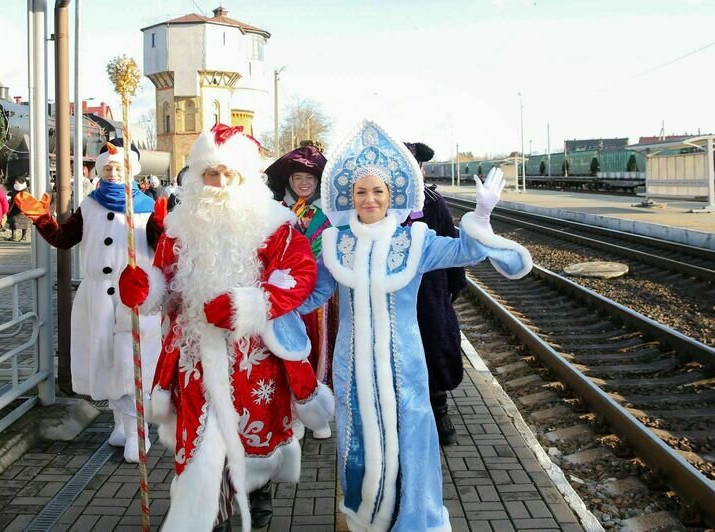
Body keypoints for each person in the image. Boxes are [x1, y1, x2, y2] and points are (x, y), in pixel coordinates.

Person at [298, 120, 531, 531]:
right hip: (352, 369)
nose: (369, 199)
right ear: (350, 197)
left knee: (412, 441)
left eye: (378, 191)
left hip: (405, 366)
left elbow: (464, 251)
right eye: (361, 192)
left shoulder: (415, 243)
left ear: (392, 196)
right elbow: (312, 295)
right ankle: (363, 517)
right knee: (358, 442)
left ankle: (414, 519)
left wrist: (481, 214)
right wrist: (269, 294)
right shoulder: (338, 244)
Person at [118, 124, 334, 531]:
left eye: (228, 174)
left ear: (245, 178)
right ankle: (209, 520)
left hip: (255, 362)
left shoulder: (276, 224)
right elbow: (165, 281)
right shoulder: (181, 226)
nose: (218, 183)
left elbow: (298, 275)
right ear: (197, 178)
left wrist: (246, 306)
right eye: (210, 174)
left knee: (253, 457)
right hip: (194, 359)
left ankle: (258, 516)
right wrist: (146, 288)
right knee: (200, 453)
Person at [14, 140, 159, 463]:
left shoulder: (145, 205)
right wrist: (42, 219)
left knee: (129, 364)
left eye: (119, 168)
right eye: (108, 168)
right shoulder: (90, 205)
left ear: (130, 171)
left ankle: (140, 433)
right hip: (96, 296)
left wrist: (162, 225)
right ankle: (121, 424)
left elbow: (160, 246)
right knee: (104, 363)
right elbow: (64, 239)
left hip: (131, 296)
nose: (113, 173)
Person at [404, 141, 467, 447]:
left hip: (430, 290)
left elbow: (451, 241)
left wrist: (455, 284)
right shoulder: (383, 199)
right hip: (396, 294)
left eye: (417, 165)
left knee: (434, 346)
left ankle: (440, 410)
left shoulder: (432, 203)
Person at [264, 144, 337, 408]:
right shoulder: (276, 212)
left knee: (320, 343)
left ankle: (319, 402)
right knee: (285, 345)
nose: (303, 183)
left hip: (320, 295)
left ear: (317, 181)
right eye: (298, 178)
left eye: (309, 178)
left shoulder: (329, 215)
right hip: (283, 293)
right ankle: (290, 405)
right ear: (289, 181)